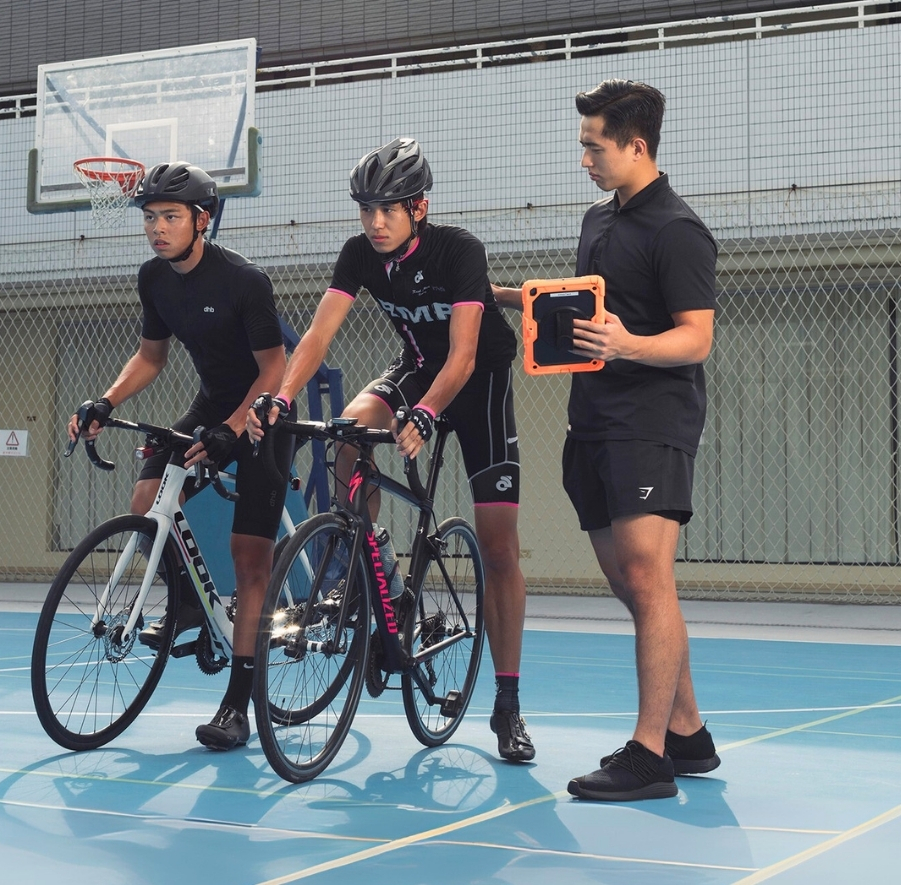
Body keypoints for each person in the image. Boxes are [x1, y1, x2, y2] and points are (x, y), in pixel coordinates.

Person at [247, 137, 536, 763]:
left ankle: (508, 704)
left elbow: (463, 355)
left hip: (477, 384)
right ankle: (373, 568)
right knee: (347, 434)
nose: (375, 223)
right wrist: (282, 397)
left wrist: (427, 413)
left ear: (419, 208)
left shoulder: (459, 250)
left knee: (499, 546)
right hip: (416, 367)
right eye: (365, 210)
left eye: (388, 209)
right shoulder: (359, 254)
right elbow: (319, 334)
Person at [495, 79, 720, 800]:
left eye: (594, 147)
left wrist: (629, 345)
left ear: (636, 146)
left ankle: (649, 755)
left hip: (650, 423)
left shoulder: (678, 230)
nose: (584, 159)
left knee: (648, 578)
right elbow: (582, 307)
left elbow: (696, 338)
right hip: (591, 419)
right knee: (631, 583)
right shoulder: (600, 220)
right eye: (583, 145)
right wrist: (496, 294)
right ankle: (687, 731)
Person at [67, 161, 294, 752]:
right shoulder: (154, 279)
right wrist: (105, 401)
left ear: (202, 219)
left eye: (169, 217)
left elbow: (275, 369)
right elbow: (151, 356)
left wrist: (234, 430)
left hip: (264, 412)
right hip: (211, 404)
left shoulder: (245, 281)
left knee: (249, 560)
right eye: (149, 218)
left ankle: (237, 706)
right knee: (147, 500)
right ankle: (190, 604)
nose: (157, 228)